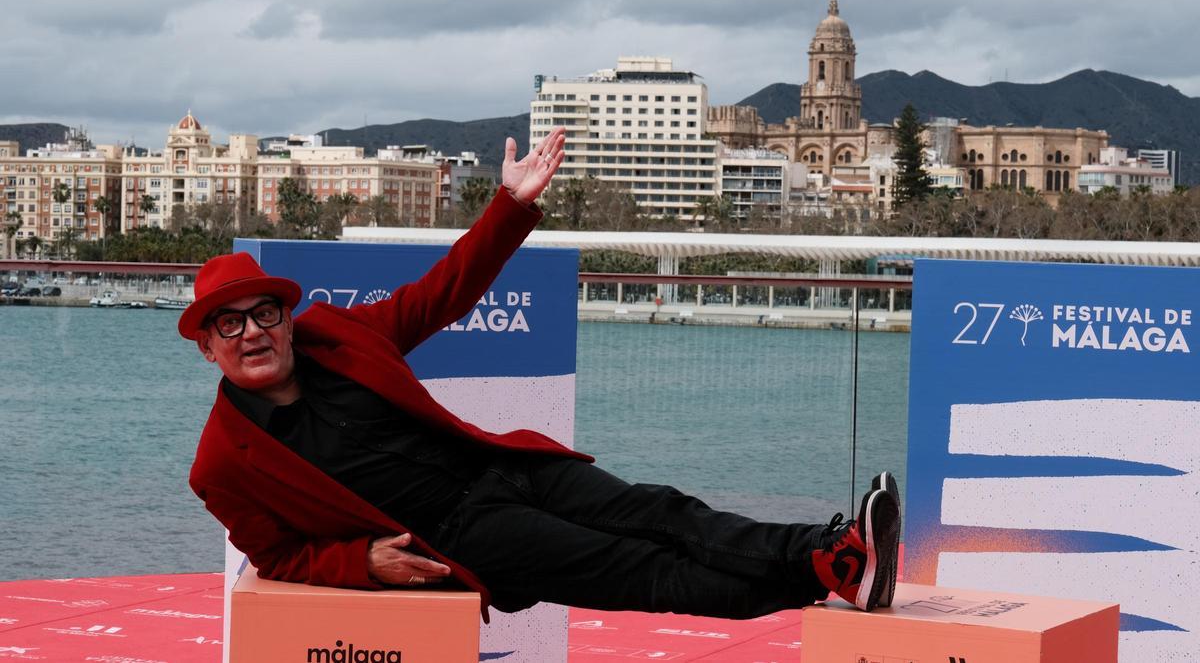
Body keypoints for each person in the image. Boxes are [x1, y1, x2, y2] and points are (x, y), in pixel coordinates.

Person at [183, 127, 900, 621]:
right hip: (463, 534)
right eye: (229, 322)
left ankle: (831, 555)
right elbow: (277, 554)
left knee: (664, 511)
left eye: (264, 312)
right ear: (207, 347)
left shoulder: (334, 332)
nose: (253, 331)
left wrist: (511, 205)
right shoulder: (222, 463)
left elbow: (441, 293)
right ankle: (827, 567)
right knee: (642, 570)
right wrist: (364, 560)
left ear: (285, 314)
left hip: (503, 468)